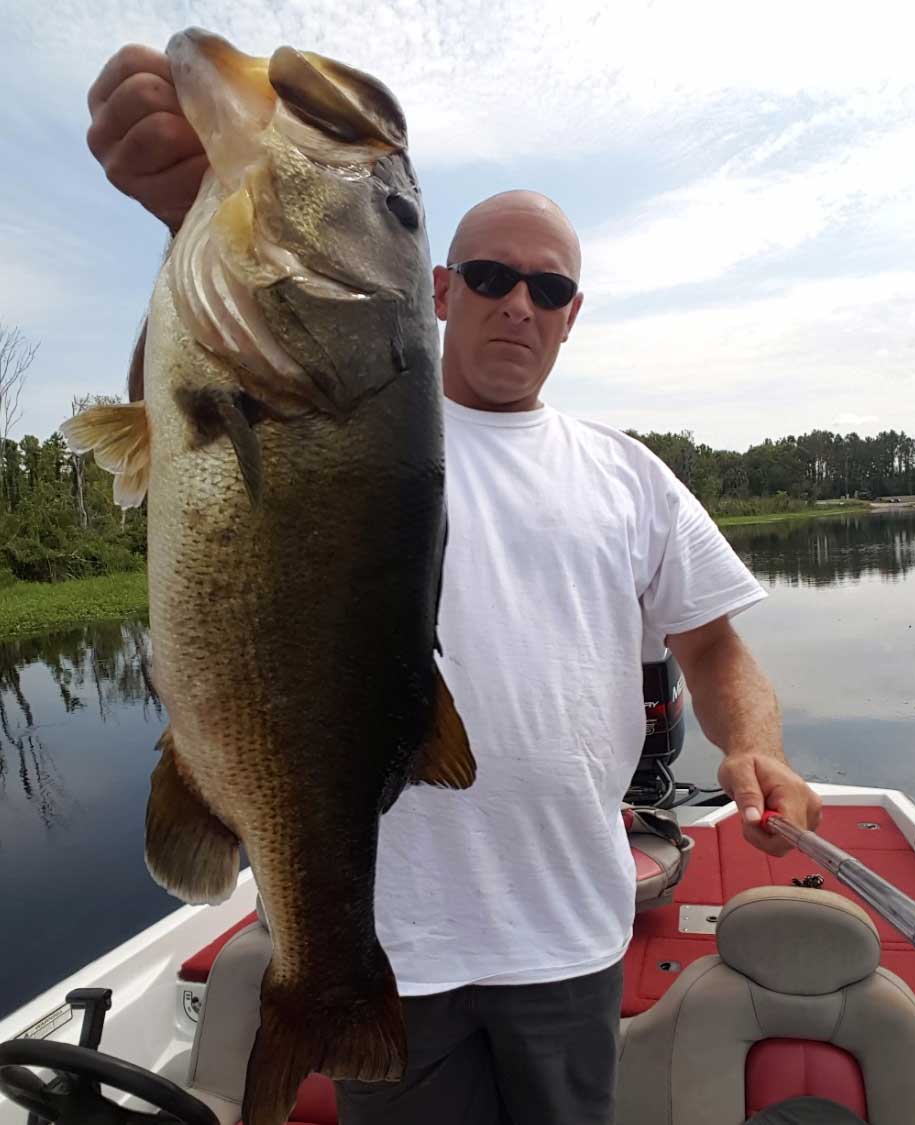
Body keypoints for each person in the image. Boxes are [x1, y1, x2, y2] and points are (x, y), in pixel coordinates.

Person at [86, 45, 823, 1125]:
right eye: (488, 276)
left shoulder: (631, 474)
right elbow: (199, 413)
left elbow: (713, 648)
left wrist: (755, 745)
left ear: (574, 313)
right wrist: (185, 223)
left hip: (571, 934)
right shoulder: (341, 410)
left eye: (549, 287)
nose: (518, 304)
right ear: (436, 289)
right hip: (393, 946)